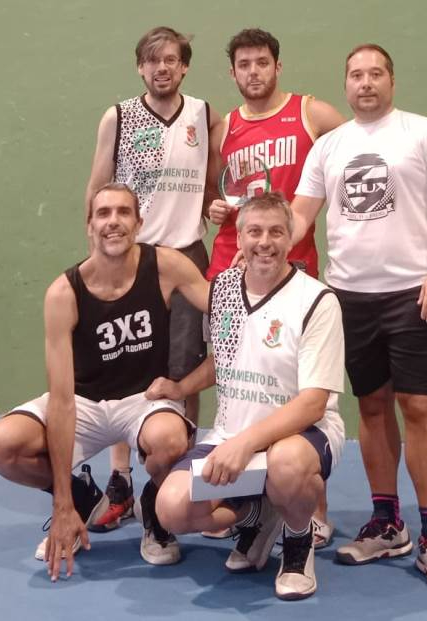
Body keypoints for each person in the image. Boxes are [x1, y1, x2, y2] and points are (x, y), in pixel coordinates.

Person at [290, 44, 427, 589]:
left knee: (418, 407)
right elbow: (301, 214)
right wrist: (260, 245)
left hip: (414, 293)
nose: (365, 83)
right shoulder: (329, 146)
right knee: (372, 407)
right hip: (349, 297)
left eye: (375, 74)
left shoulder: (422, 132)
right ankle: (388, 522)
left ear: (391, 80)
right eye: (356, 75)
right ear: (344, 84)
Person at [0, 183, 210, 580]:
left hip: (144, 401)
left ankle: (154, 514)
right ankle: (85, 499)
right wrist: (62, 504)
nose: (113, 222)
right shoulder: (63, 293)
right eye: (103, 214)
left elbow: (231, 316)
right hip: (83, 403)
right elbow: (62, 399)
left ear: (139, 224)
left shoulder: (167, 266)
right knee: (2, 446)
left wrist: (184, 387)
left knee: (170, 440)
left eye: (123, 212)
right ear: (89, 226)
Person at [147, 193, 346, 601]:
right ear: (239, 238)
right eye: (254, 231)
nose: (265, 241)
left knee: (286, 465)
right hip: (231, 435)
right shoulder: (222, 288)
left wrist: (245, 444)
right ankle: (257, 513)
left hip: (303, 436)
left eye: (276, 231)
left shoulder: (318, 301)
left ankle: (296, 542)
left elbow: (312, 403)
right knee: (172, 507)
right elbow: (225, 355)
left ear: (291, 239)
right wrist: (181, 388)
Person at [205, 27, 345, 548]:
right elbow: (213, 196)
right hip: (233, 272)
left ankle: (311, 510)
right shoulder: (224, 129)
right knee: (243, 381)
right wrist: (214, 210)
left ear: (277, 66)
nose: (254, 72)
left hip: (293, 273)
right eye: (244, 65)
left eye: (262, 62)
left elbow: (354, 149)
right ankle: (247, 506)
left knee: (300, 390)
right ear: (233, 72)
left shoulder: (312, 113)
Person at [83, 26, 222, 531]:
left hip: (186, 256)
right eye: (152, 60)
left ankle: (177, 480)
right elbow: (98, 187)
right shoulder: (118, 116)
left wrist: (218, 207)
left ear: (184, 66)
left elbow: (212, 185)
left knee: (184, 374)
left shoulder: (205, 116)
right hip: (131, 261)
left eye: (170, 60)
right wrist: (98, 260)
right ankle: (120, 480)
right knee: (126, 371)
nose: (161, 67)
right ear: (140, 68)